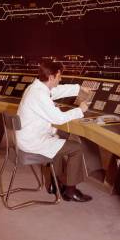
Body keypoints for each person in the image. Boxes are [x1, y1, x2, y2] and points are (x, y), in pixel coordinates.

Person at [17, 60, 93, 202]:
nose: (60, 79)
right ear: (51, 77)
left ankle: (54, 184)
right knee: (76, 148)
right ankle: (70, 191)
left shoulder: (36, 88)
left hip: (29, 137)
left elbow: (56, 91)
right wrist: (80, 110)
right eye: (59, 76)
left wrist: (79, 89)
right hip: (33, 142)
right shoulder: (39, 94)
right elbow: (58, 118)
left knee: (60, 137)